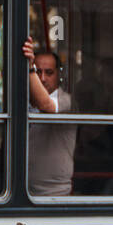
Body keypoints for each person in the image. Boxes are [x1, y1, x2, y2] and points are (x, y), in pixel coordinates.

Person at [25, 36, 76, 197]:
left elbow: (46, 105)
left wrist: (30, 68)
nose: (42, 78)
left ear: (58, 75)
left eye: (49, 73)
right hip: (23, 189)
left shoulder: (67, 100)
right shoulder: (23, 101)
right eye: (38, 71)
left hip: (55, 193)